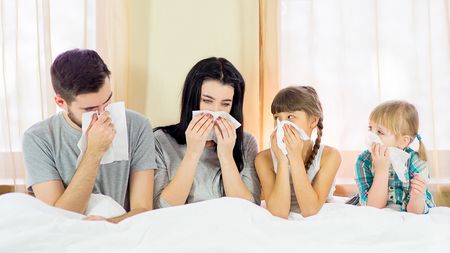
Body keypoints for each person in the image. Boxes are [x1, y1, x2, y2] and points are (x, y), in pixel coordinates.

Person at [22, 49, 157, 223]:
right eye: (90, 109)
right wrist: (94, 152)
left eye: (108, 100)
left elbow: (143, 210)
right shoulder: (38, 138)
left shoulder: (138, 125)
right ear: (61, 102)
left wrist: (106, 225)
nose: (103, 114)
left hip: (122, 233)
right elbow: (59, 219)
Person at [153, 57, 260, 208]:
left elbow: (251, 209)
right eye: (207, 101)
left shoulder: (247, 143)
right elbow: (160, 208)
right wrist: (192, 154)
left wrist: (226, 156)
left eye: (225, 104)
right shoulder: (161, 140)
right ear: (193, 99)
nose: (215, 111)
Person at [255, 86, 341, 218]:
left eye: (290, 116)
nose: (282, 124)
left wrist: (295, 158)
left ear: (313, 121)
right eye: (278, 118)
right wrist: (282, 160)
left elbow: (310, 210)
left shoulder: (330, 156)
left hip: (320, 219)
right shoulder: (263, 159)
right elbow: (278, 213)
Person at [354, 100, 435, 214]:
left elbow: (415, 213)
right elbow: (373, 207)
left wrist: (417, 196)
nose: (371, 135)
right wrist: (381, 170)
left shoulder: (416, 162)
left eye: (380, 132)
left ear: (403, 141)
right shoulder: (363, 161)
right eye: (370, 128)